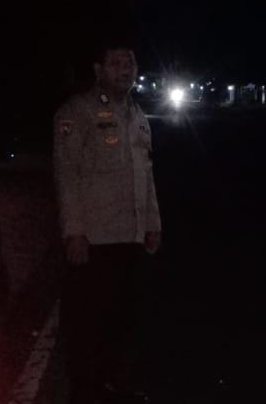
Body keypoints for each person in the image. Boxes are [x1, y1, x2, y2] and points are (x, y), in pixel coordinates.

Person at [54, 41, 162, 404]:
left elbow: (146, 174)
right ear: (98, 70)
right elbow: (67, 175)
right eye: (116, 63)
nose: (125, 69)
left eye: (130, 62)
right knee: (88, 320)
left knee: (120, 318)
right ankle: (84, 391)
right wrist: (74, 232)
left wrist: (152, 223)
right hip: (94, 238)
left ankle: (108, 385)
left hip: (129, 236)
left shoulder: (137, 115)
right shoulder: (78, 112)